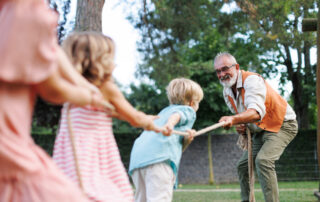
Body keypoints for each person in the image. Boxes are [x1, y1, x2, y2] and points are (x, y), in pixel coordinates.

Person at [0, 1, 113, 201]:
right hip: (9, 145)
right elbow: (53, 89)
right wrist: (90, 97)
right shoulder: (25, 11)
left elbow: (53, 51)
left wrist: (88, 88)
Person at [52, 32, 161, 202]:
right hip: (94, 153)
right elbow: (134, 118)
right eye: (110, 57)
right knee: (107, 192)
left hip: (70, 153)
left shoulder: (71, 88)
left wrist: (145, 118)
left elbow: (113, 113)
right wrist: (152, 124)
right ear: (99, 61)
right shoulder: (106, 88)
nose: (114, 63)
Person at [213, 52, 298, 202]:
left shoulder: (251, 80)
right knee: (242, 166)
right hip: (260, 130)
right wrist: (241, 125)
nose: (222, 74)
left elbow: (256, 113)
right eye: (218, 71)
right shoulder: (227, 91)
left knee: (263, 161)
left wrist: (233, 119)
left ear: (237, 67)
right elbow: (244, 117)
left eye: (225, 69)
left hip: (283, 125)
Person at [129, 78, 203, 202]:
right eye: (198, 102)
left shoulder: (163, 112)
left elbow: (176, 145)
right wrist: (170, 124)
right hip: (158, 160)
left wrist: (187, 139)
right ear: (191, 102)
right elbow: (177, 115)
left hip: (138, 159)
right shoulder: (188, 110)